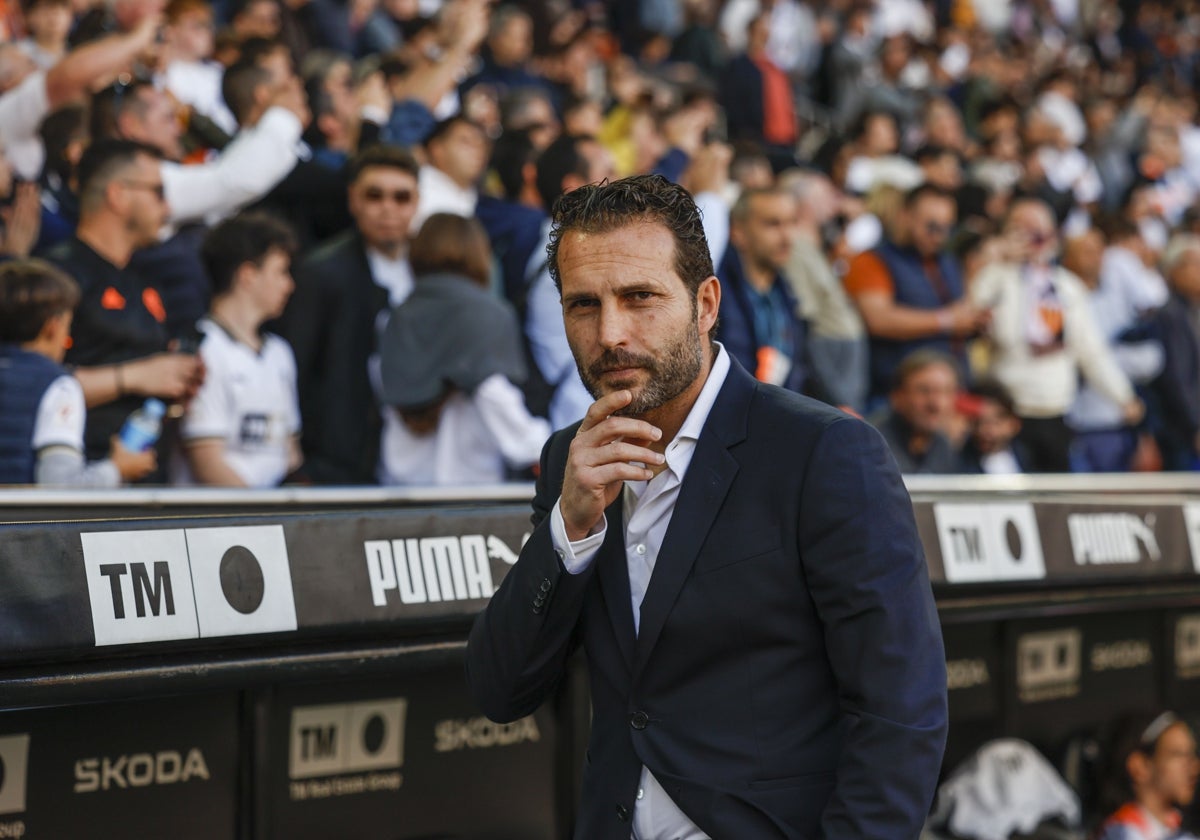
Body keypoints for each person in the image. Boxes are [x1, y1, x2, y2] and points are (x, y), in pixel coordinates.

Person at [466, 174, 947, 838]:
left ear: (706, 303)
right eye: (583, 305)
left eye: (639, 298)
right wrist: (570, 528)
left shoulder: (824, 452)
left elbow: (900, 712)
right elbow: (500, 690)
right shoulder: (567, 461)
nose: (610, 333)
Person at [44, 139, 205, 471]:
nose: (169, 207)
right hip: (79, 480)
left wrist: (176, 380)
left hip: (149, 478)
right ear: (117, 195)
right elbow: (35, 381)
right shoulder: (59, 275)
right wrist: (134, 376)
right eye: (158, 192)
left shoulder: (146, 279)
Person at [276, 144, 419, 484]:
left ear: (416, 202)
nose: (388, 209)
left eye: (401, 197)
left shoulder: (431, 269)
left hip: (416, 456)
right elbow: (294, 366)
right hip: (338, 460)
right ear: (353, 199)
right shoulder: (320, 273)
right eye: (374, 196)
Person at [969, 197, 1143, 472]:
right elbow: (970, 311)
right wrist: (995, 257)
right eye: (1021, 227)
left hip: (1056, 412)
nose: (1031, 235)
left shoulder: (1067, 287)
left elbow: (1090, 349)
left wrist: (1122, 396)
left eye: (1038, 227)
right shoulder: (995, 277)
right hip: (1005, 413)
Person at [376, 213, 549, 484]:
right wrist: (544, 446)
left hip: (401, 482)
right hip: (469, 485)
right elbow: (494, 394)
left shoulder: (394, 316)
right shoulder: (488, 313)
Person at [0, 258, 154, 485]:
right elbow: (59, 485)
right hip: (19, 520)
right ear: (52, 327)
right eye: (67, 328)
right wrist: (118, 470)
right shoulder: (58, 385)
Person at [173, 212, 301, 487]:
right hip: (216, 523)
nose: (289, 285)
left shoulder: (280, 352)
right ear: (248, 275)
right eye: (281, 272)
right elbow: (207, 463)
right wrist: (263, 519)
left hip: (271, 518)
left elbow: (290, 452)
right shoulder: (202, 350)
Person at [843, 183, 987, 408]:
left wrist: (974, 322)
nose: (939, 235)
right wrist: (946, 321)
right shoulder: (871, 261)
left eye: (946, 227)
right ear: (904, 215)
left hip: (951, 394)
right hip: (897, 399)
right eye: (931, 226)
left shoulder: (946, 262)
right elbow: (878, 319)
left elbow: (961, 313)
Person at [716, 185, 810, 394]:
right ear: (738, 232)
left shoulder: (786, 293)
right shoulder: (715, 296)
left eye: (791, 223)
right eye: (772, 224)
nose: (787, 237)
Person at [1096, 713, 1200, 840]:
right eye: (1178, 755)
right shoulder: (1119, 833)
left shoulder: (1182, 829)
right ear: (1140, 766)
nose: (1195, 768)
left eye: (1192, 755)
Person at [870, 348, 965, 474]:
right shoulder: (871, 445)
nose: (936, 404)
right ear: (897, 396)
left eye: (946, 392)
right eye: (924, 391)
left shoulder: (943, 446)